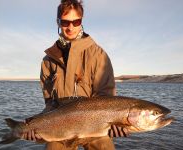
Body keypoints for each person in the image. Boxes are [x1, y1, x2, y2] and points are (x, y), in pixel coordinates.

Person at [22, 0, 127, 149]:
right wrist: (35, 125)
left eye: (76, 21)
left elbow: (107, 98)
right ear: (58, 22)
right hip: (60, 128)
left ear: (81, 21)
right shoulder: (47, 61)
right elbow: (50, 104)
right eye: (65, 22)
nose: (70, 27)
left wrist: (118, 123)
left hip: (94, 128)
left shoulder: (99, 55)